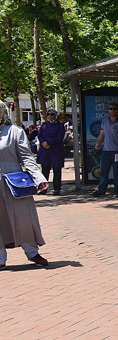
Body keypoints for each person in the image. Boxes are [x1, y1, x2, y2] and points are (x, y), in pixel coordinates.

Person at [0, 103, 49, 269]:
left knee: (24, 218)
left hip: (14, 182)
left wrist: (38, 178)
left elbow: (26, 157)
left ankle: (32, 252)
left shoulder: (14, 131)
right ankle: (0, 257)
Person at [92, 103, 118, 197]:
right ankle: (102, 189)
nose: (112, 110)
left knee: (117, 171)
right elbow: (102, 134)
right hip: (106, 150)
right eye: (111, 109)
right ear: (108, 110)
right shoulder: (104, 121)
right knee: (103, 171)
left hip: (117, 150)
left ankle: (117, 190)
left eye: (115, 109)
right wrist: (98, 143)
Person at [36, 109, 66, 195]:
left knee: (57, 169)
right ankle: (43, 188)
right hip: (45, 150)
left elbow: (60, 137)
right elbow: (39, 135)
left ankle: (56, 188)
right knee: (45, 170)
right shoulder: (44, 125)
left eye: (52, 114)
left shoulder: (60, 126)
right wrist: (43, 143)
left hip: (56, 150)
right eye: (48, 114)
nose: (50, 116)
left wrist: (49, 142)